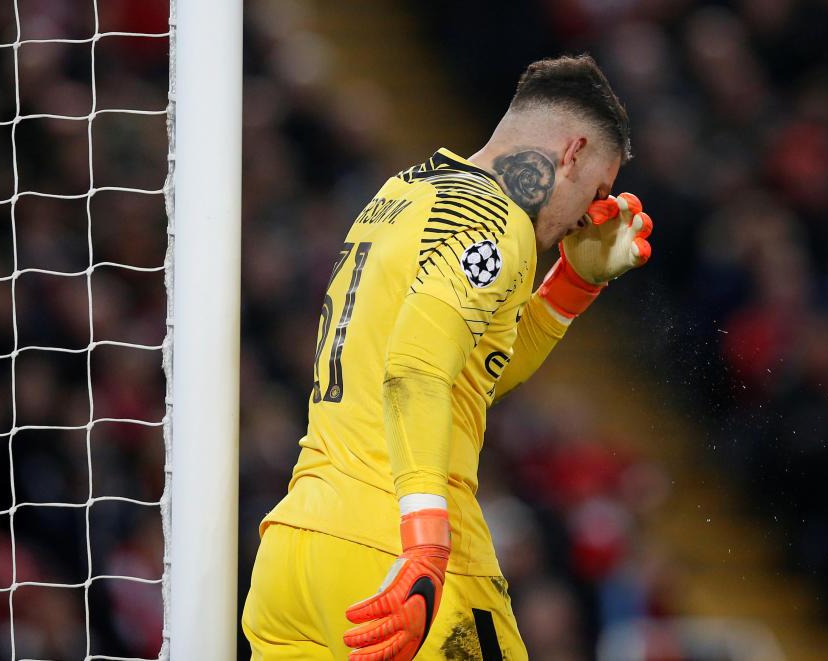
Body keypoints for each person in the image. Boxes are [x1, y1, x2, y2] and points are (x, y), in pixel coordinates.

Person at [242, 53, 654, 661]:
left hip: (296, 552)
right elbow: (416, 369)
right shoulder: (495, 219)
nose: (582, 220)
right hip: (395, 560)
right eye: (595, 190)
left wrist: (570, 287)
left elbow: (461, 376)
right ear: (572, 151)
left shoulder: (402, 193)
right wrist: (427, 541)